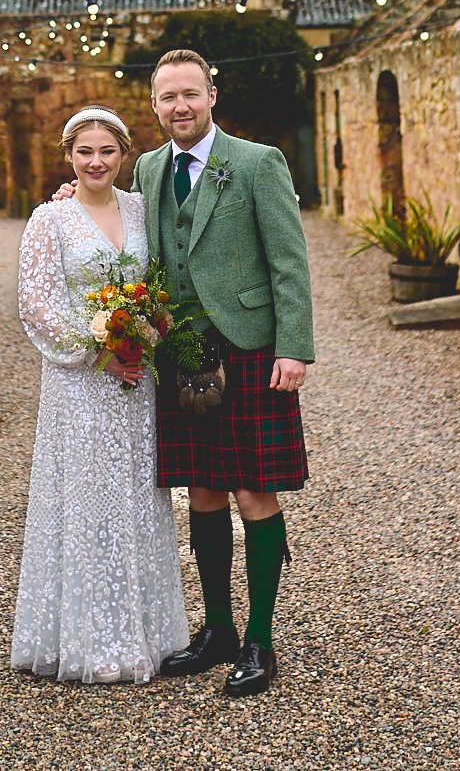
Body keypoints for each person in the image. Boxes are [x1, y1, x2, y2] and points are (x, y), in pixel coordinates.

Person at [64, 49, 315, 695]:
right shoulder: (147, 166)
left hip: (252, 345)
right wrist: (74, 194)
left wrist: (295, 347)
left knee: (254, 490)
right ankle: (219, 629)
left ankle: (260, 637)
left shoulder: (258, 161)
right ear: (153, 105)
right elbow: (114, 216)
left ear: (211, 94)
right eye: (167, 97)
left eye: (190, 94)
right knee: (201, 489)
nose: (180, 106)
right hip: (179, 350)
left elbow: (289, 261)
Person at [10, 107, 189, 684]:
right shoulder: (50, 219)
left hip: (139, 386)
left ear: (123, 155)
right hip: (82, 382)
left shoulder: (139, 207)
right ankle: (91, 640)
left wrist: (147, 331)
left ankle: (151, 632)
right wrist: (99, 353)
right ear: (69, 157)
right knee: (88, 497)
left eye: (106, 152)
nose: (95, 162)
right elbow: (37, 302)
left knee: (138, 494)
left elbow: (162, 277)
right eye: (84, 152)